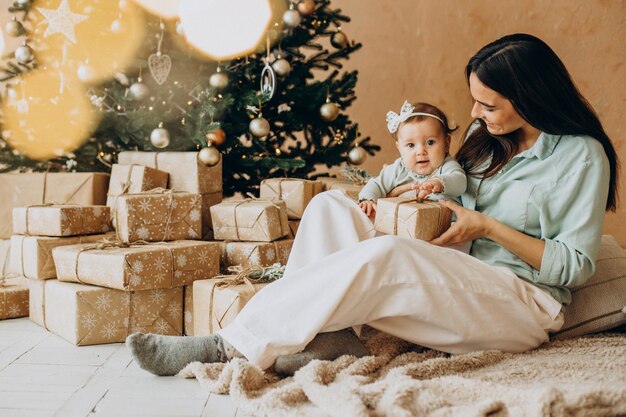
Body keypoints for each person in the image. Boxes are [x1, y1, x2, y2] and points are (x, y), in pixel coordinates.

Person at [126, 33, 620, 377]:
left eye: (487, 104)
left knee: (389, 257)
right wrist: (408, 194)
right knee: (329, 209)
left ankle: (228, 345)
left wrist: (487, 227)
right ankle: (333, 339)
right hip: (458, 270)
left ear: (531, 97)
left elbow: (574, 266)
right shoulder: (485, 138)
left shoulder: (580, 155)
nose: (473, 114)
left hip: (521, 305)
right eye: (474, 101)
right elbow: (436, 181)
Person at [358, 101, 467, 218]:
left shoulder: (447, 166)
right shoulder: (398, 169)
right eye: (411, 145)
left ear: (446, 143)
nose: (421, 151)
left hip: (443, 225)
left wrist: (440, 182)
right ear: (399, 148)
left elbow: (460, 182)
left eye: (430, 142)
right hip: (404, 223)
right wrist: (368, 200)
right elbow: (376, 184)